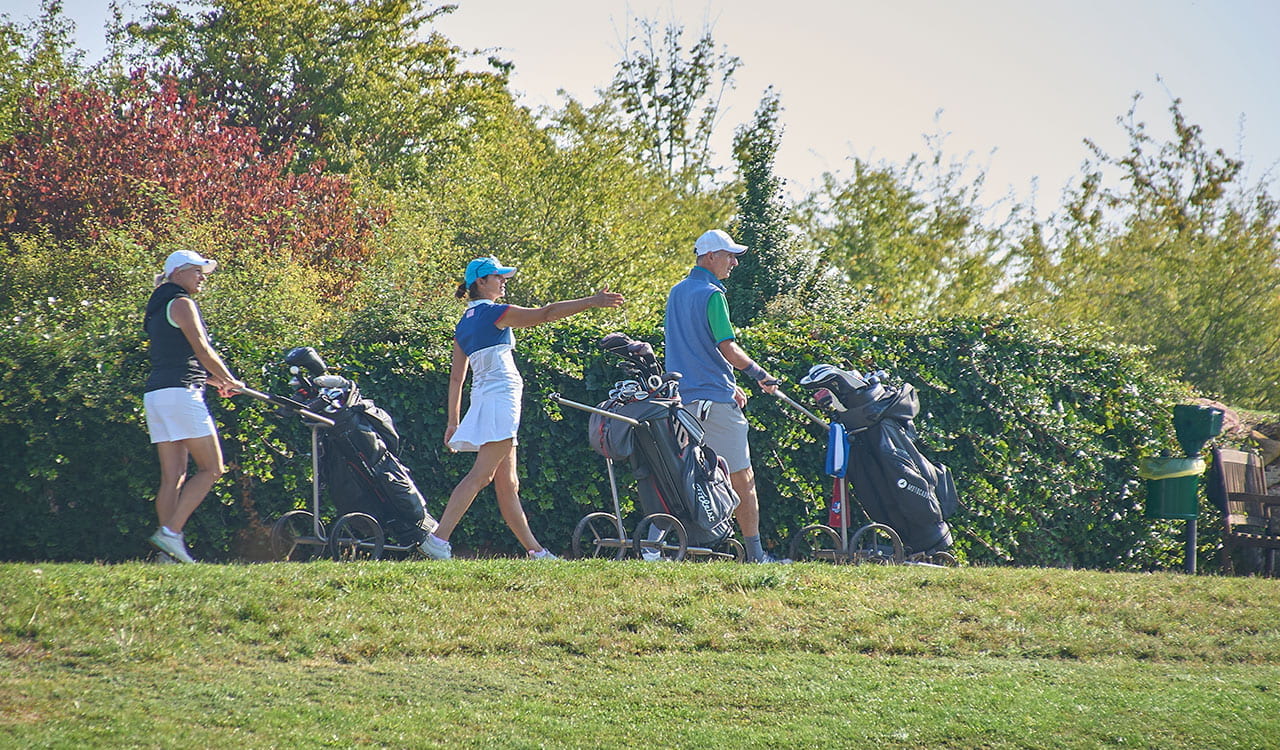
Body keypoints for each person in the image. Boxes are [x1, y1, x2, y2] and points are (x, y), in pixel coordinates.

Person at [420, 255, 624, 560]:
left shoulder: (465, 322)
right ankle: (438, 539)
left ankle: (536, 551)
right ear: (480, 282)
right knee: (481, 475)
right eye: (498, 276)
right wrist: (592, 301)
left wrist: (453, 421)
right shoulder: (494, 313)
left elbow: (456, 379)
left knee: (508, 483)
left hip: (487, 397)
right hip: (501, 398)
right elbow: (546, 313)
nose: (503, 281)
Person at [664, 229, 784, 563]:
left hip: (683, 401)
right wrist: (759, 374)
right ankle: (756, 555)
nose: (733, 262)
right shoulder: (712, 294)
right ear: (710, 257)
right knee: (742, 477)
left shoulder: (676, 293)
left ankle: (671, 544)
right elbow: (726, 347)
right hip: (713, 404)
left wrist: (728, 384)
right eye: (729, 255)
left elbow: (689, 349)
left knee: (688, 476)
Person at [142, 250, 244, 563]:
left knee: (173, 477)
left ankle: (167, 554)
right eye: (197, 271)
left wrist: (216, 382)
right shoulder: (182, 303)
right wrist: (230, 378)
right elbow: (201, 348)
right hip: (181, 395)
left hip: (158, 394)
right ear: (178, 272)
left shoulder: (158, 307)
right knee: (213, 468)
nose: (202, 277)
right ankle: (170, 534)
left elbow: (177, 359)